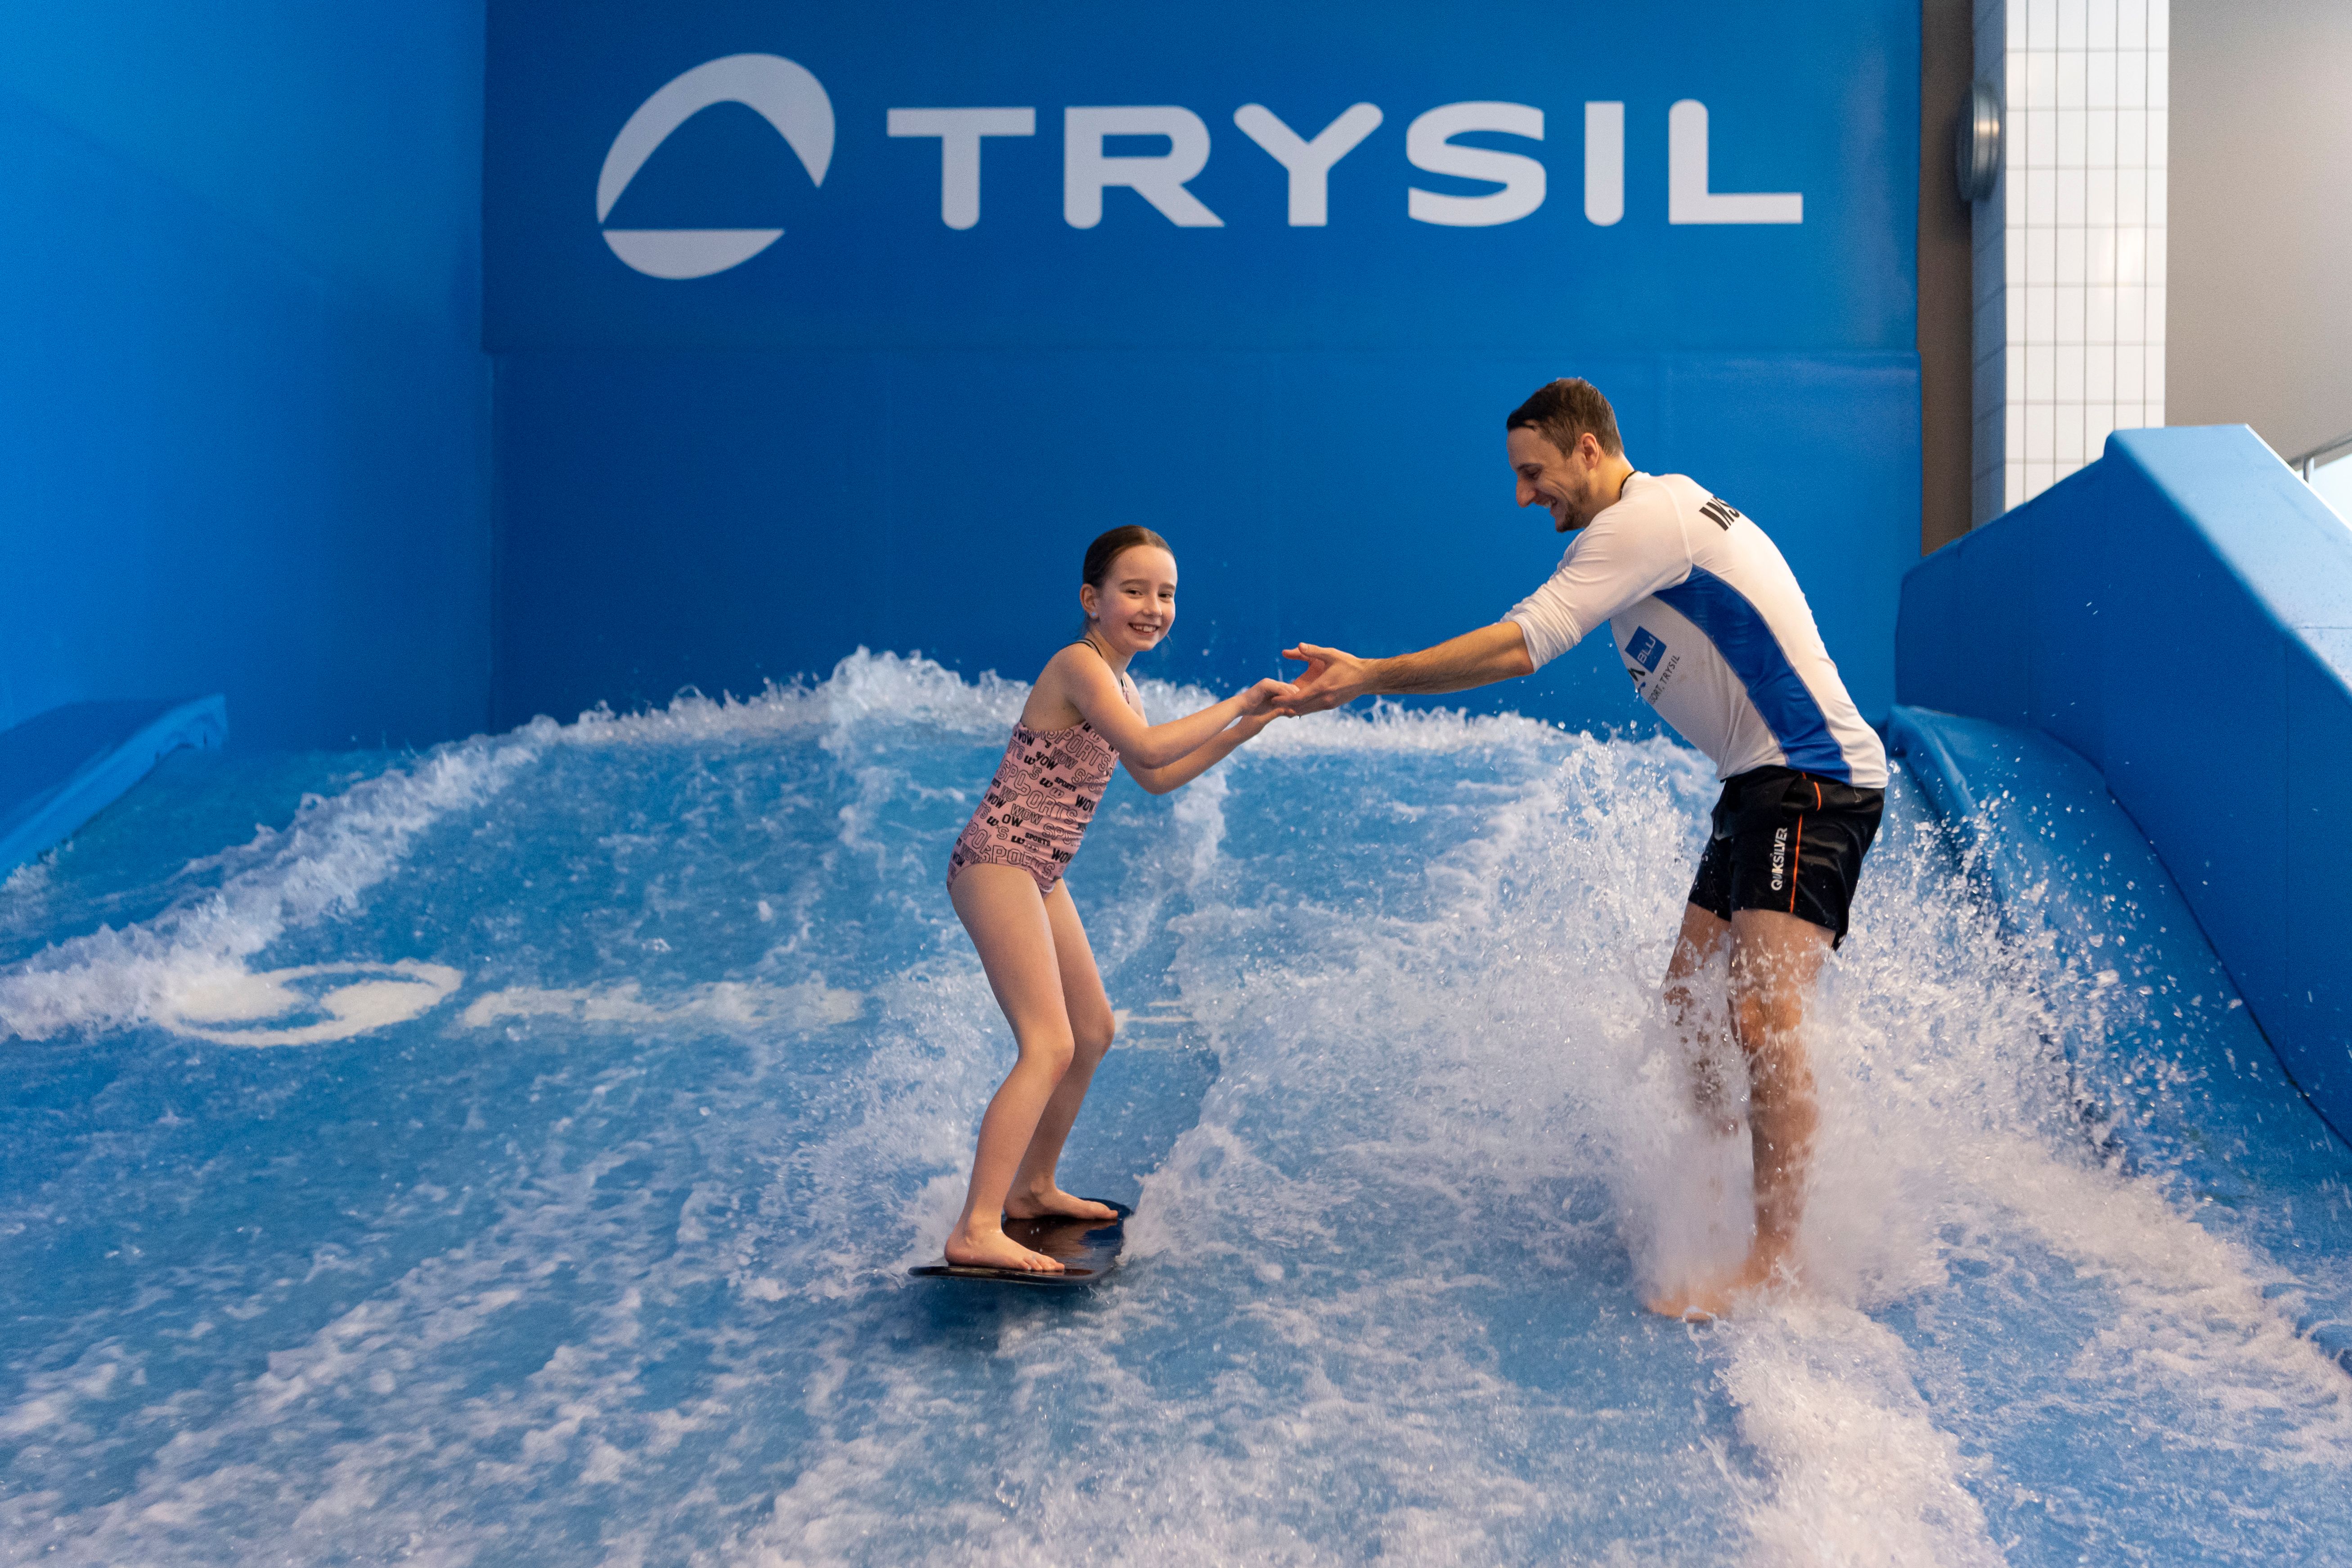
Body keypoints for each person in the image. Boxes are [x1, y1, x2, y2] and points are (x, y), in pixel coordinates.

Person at [1279, 377, 1887, 1318]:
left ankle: (1778, 1260)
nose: (1525, 497)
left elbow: (1521, 646)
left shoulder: (1641, 525)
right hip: (1756, 785)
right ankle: (1719, 1188)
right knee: (1691, 1003)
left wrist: (1370, 678)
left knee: (1761, 1018)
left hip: (1812, 778)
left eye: (1535, 473)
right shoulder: (1642, 527)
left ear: (1589, 450)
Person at [942, 525, 1298, 1272]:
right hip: (998, 861)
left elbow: (1157, 776)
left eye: (1166, 593)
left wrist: (1247, 729)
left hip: (1038, 869)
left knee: (1094, 1028)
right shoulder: (1079, 665)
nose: (1153, 606)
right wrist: (1238, 700)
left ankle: (1033, 1188)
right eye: (1134, 591)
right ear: (1091, 599)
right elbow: (1147, 748)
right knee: (1049, 1043)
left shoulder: (1121, 681)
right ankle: (977, 1224)